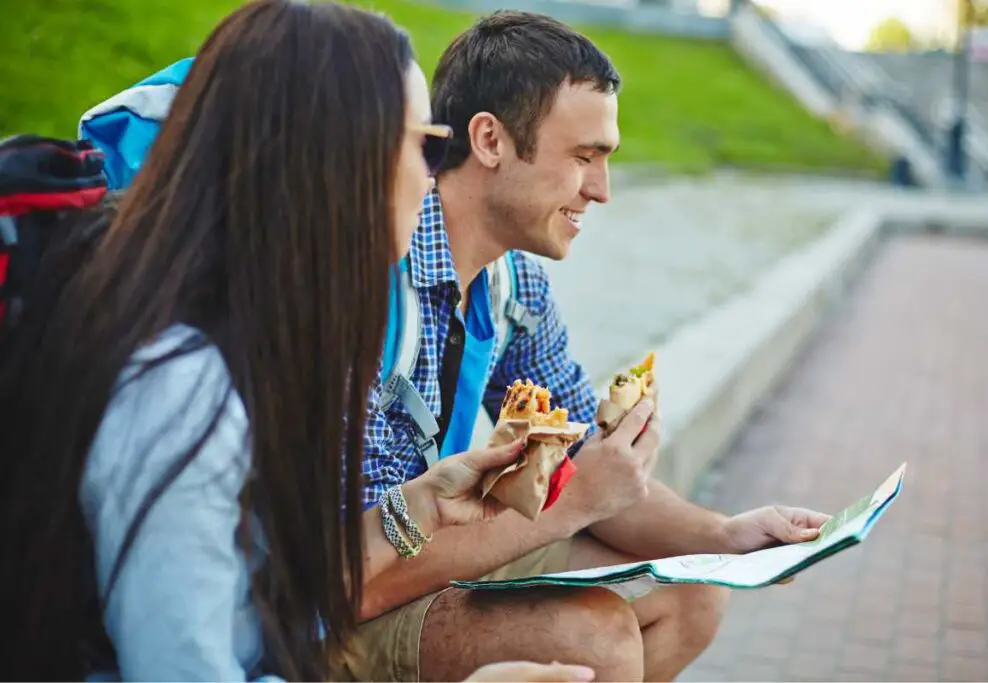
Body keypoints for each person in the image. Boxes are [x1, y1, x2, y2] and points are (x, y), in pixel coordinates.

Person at [76, 8, 831, 682]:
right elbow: (343, 582)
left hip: (394, 552)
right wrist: (565, 509)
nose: (602, 189)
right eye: (584, 156)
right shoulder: (352, 282)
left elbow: (578, 471)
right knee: (591, 637)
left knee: (692, 596)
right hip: (336, 602)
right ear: (490, 139)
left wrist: (725, 535)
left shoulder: (513, 287)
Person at [0, 2, 596, 682]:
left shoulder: (258, 336)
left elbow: (271, 605)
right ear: (334, 160)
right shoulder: (183, 390)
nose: (435, 176)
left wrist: (420, 504)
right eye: (424, 145)